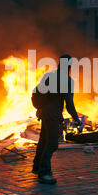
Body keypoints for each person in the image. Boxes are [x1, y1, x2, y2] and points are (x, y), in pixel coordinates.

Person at [32, 54, 81, 185]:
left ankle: (37, 167)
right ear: (69, 66)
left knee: (43, 141)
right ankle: (44, 173)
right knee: (52, 143)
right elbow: (69, 104)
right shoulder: (68, 80)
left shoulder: (49, 75)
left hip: (43, 114)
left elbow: (37, 91)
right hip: (53, 116)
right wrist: (76, 119)